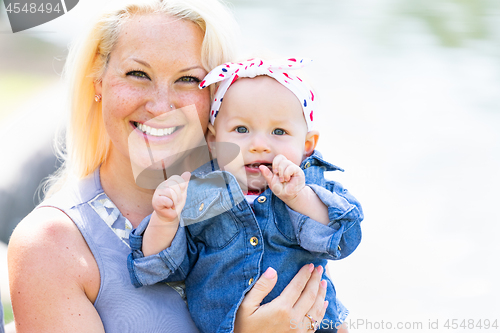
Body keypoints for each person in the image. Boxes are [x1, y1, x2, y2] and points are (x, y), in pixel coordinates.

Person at [7, 1, 329, 332]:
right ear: (98, 81)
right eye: (137, 74)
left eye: (188, 79)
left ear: (218, 95)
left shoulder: (268, 201)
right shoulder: (48, 246)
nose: (161, 106)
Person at [128, 58, 363, 333]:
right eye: (241, 130)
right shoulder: (203, 191)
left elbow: (344, 237)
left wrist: (298, 198)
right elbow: (158, 269)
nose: (259, 145)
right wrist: (165, 220)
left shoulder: (309, 185)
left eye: (279, 131)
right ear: (213, 142)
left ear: (307, 145)